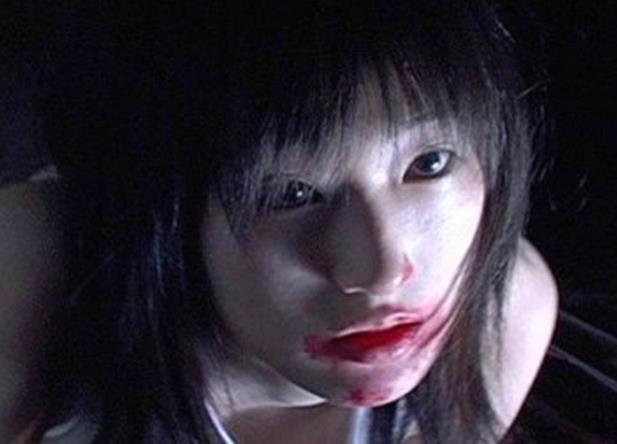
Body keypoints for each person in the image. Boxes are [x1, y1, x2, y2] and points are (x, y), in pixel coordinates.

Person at [16, 1, 558, 442]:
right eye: (290, 194)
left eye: (430, 163)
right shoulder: (37, 270)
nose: (382, 270)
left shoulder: (506, 313)